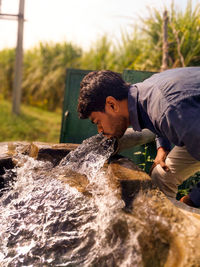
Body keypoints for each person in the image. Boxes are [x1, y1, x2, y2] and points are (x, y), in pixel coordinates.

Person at [77, 68, 200, 208]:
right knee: (161, 177)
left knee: (191, 208)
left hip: (193, 127)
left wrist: (194, 200)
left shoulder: (168, 108)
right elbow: (158, 117)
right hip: (194, 127)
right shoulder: (147, 96)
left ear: (112, 105)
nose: (100, 130)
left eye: (98, 121)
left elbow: (167, 112)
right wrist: (162, 147)